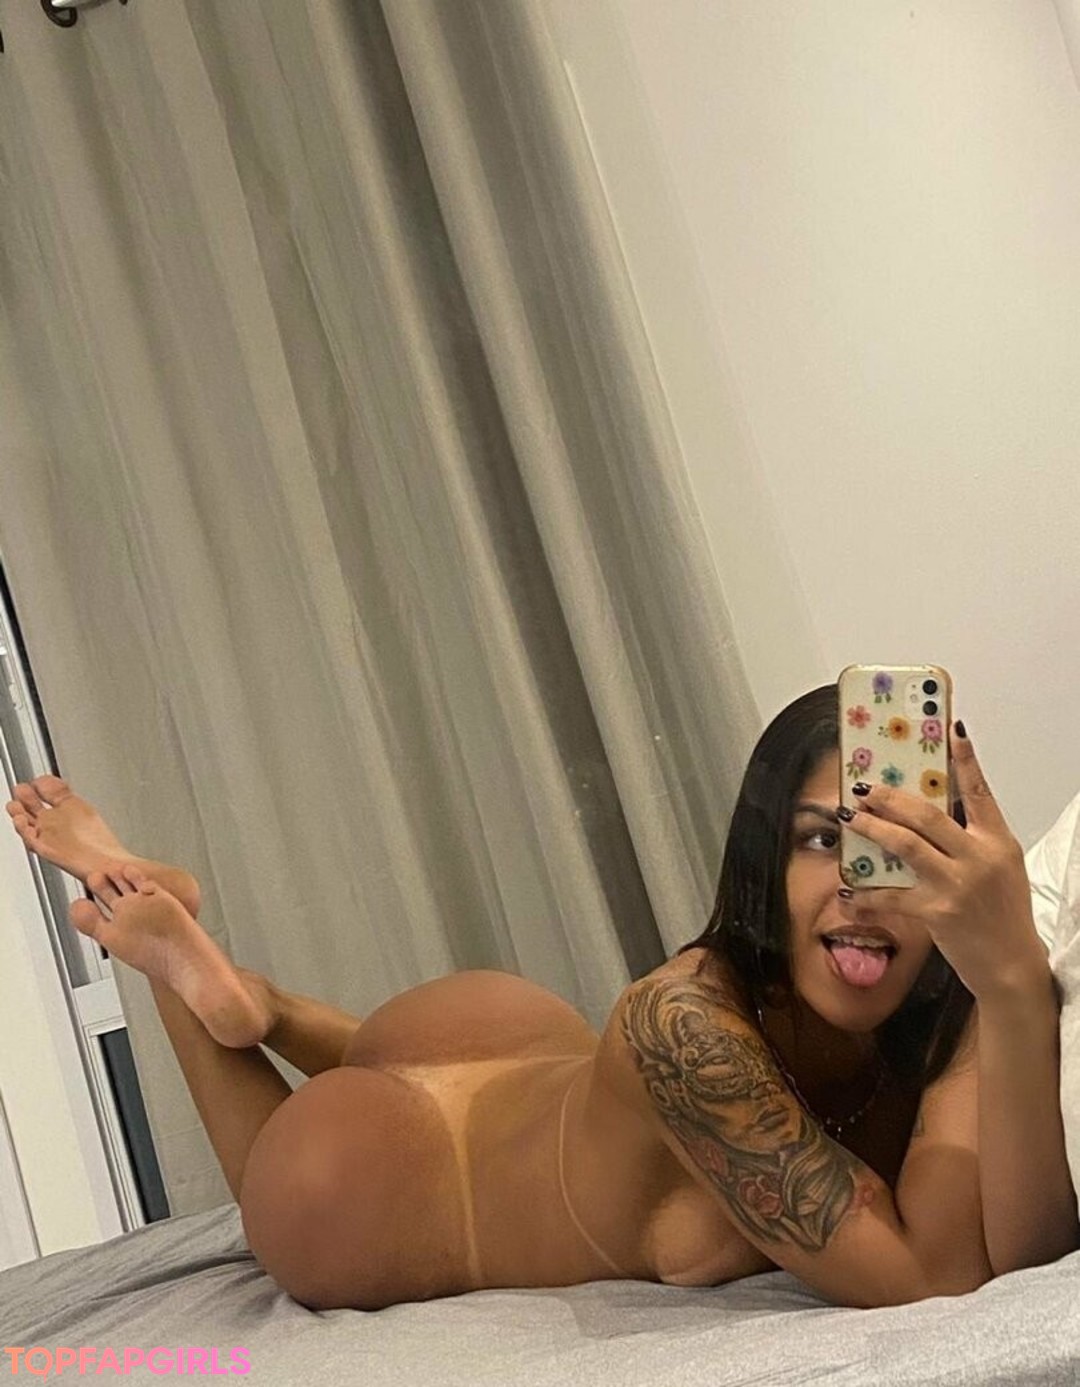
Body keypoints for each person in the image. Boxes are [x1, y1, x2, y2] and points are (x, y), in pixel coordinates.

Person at [6, 685, 1076, 1311]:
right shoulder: (686, 1028)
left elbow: (1024, 1257)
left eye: (893, 846)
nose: (859, 885)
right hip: (396, 1178)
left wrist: (1010, 983)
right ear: (761, 858)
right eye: (818, 839)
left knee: (397, 1058)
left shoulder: (962, 986)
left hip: (511, 1047)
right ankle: (190, 983)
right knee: (272, 1196)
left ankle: (264, 1000)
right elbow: (938, 1275)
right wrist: (1012, 990)